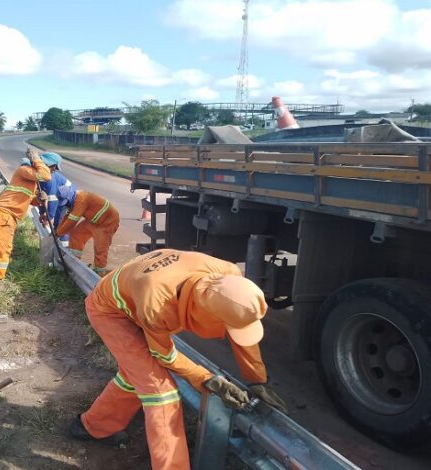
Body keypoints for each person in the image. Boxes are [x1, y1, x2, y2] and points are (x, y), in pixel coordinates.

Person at [70, 249, 287, 470]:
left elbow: (240, 325)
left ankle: (92, 427)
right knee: (160, 391)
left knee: (135, 374)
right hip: (110, 311)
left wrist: (256, 380)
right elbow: (164, 355)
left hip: (136, 292)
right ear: (204, 313)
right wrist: (206, 378)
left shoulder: (228, 275)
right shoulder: (157, 303)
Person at [0, 149, 51, 284]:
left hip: (8, 217)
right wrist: (36, 159)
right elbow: (45, 175)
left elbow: (31, 201)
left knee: (5, 249)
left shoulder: (30, 183)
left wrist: (41, 199)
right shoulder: (24, 170)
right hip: (2, 214)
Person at [54, 186, 119, 275]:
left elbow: (72, 221)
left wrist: (58, 233)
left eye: (66, 202)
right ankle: (74, 259)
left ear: (70, 197)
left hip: (107, 222)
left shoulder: (81, 199)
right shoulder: (74, 200)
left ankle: (99, 273)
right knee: (76, 233)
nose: (66, 205)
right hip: (93, 221)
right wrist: (57, 231)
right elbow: (67, 217)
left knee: (100, 248)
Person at [36, 152, 76, 245]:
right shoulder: (40, 177)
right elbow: (41, 198)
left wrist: (48, 218)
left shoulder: (50, 179)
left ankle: (65, 251)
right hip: (60, 201)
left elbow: (52, 200)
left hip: (67, 202)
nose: (54, 169)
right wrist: (42, 213)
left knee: (61, 226)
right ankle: (57, 246)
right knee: (56, 227)